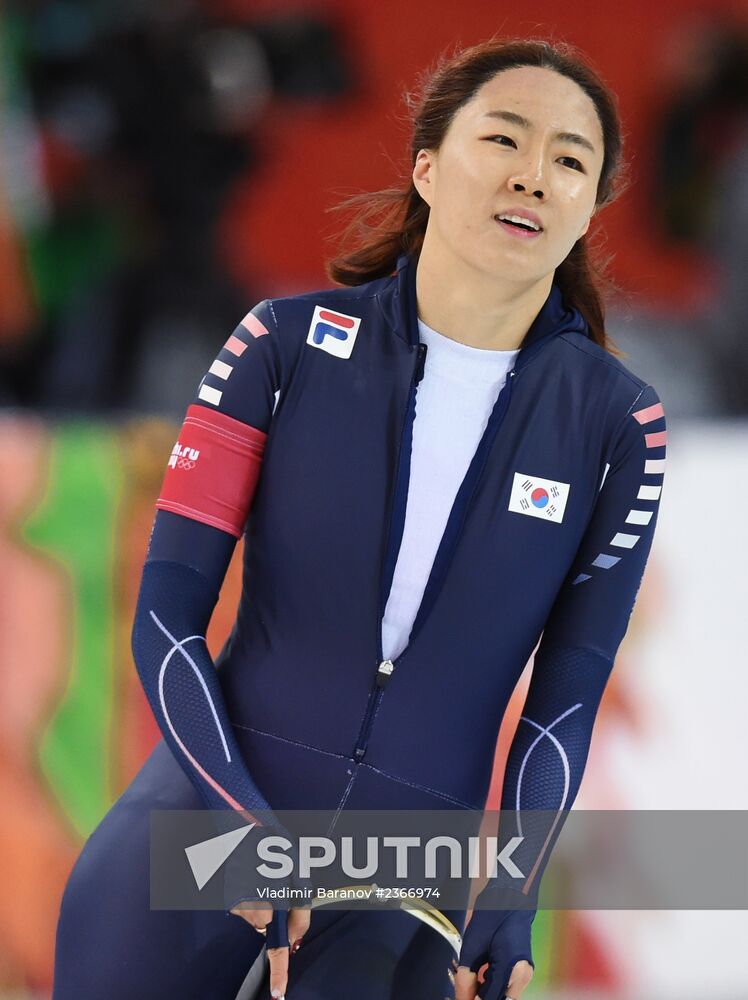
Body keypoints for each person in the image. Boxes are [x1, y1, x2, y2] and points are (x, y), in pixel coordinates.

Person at [52, 35, 667, 1000]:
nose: (534, 176)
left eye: (571, 159)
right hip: (207, 830)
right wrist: (237, 819)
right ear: (427, 165)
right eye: (504, 138)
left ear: (592, 203)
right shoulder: (281, 347)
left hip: (398, 871)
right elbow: (167, 617)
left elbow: (566, 701)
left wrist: (511, 894)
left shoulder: (617, 426)